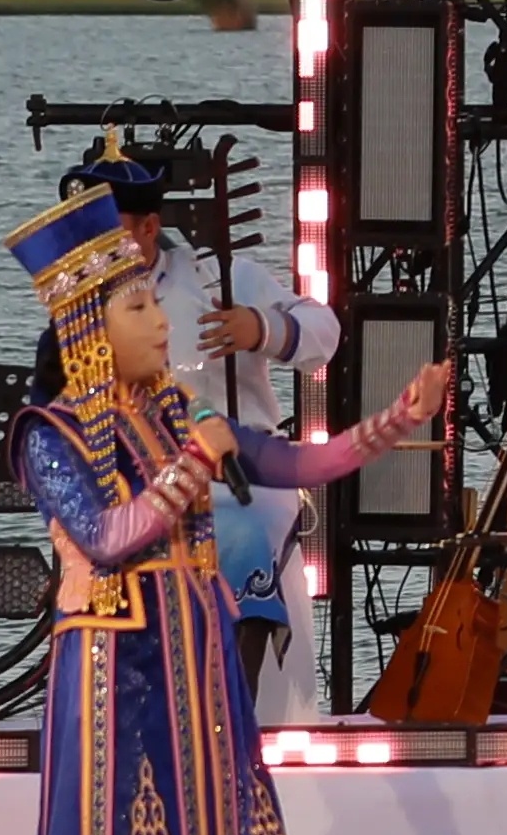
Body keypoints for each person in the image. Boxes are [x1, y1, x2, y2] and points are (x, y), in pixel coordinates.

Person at [13, 185, 460, 835]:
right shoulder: (48, 435)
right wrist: (195, 467)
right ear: (90, 330)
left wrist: (396, 419)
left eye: (153, 300)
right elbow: (105, 537)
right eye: (139, 306)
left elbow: (297, 463)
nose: (159, 321)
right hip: (119, 674)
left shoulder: (177, 411)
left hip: (199, 661)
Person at [79, 134, 343, 683]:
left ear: (148, 228)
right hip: (139, 485)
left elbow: (326, 332)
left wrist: (261, 328)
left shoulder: (223, 279)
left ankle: (228, 701)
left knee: (244, 531)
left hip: (236, 478)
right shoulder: (84, 307)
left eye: (112, 231)